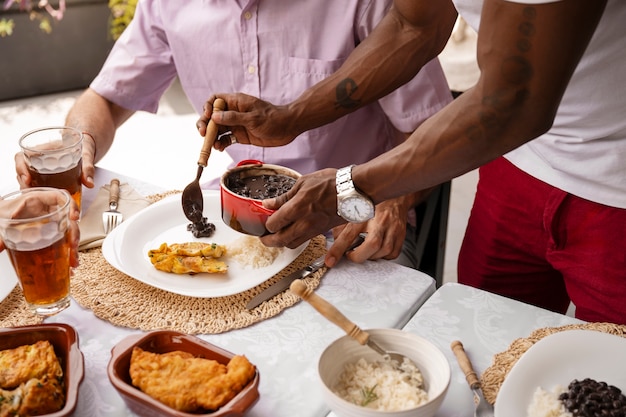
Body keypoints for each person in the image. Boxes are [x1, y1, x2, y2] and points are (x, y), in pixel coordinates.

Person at [202, 0, 626, 324]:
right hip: (516, 161)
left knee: (608, 377)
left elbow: (514, 105)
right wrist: (289, 118)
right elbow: (413, 24)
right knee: (484, 345)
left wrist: (349, 189)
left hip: (615, 186)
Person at [14, 0, 452, 269]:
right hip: (232, 218)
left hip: (352, 217)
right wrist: (77, 146)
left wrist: (393, 200)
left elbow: (435, 129)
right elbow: (106, 100)